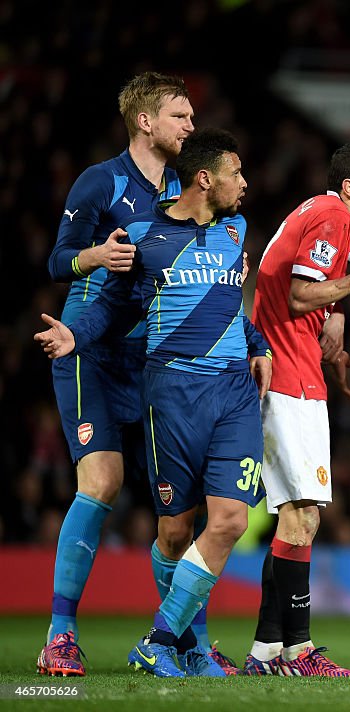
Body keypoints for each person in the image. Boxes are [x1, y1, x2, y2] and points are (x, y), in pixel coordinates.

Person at [35, 128, 271, 678]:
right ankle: (176, 644)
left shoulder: (237, 229)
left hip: (234, 392)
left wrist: (258, 345)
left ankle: (163, 639)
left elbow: (228, 305)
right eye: (236, 172)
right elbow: (114, 309)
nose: (246, 183)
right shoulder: (141, 233)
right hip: (171, 394)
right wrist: (77, 335)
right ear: (206, 179)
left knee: (231, 519)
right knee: (173, 530)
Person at [38, 71, 201, 677]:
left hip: (154, 361)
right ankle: (59, 635)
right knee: (102, 482)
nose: (190, 125)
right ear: (145, 121)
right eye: (180, 116)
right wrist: (97, 256)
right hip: (91, 353)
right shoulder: (100, 181)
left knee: (180, 506)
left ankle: (186, 643)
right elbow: (59, 260)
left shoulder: (187, 186)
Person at [241, 144, 350, 677]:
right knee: (303, 517)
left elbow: (310, 290)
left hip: (295, 371)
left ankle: (268, 651)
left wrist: (333, 319)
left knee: (295, 519)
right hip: (289, 380)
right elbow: (298, 295)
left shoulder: (322, 213)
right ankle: (299, 651)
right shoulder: (334, 216)